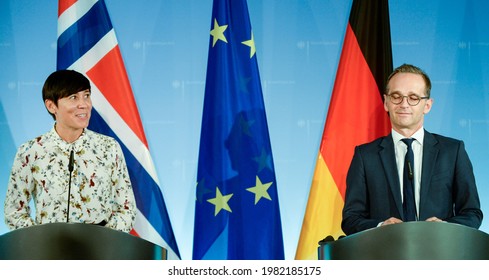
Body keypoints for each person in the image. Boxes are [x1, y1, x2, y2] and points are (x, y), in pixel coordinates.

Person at [341, 64, 483, 235]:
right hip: (384, 255)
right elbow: (351, 218)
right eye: (396, 96)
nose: (404, 104)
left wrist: (445, 227)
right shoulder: (365, 155)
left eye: (413, 97)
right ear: (386, 102)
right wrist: (380, 227)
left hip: (439, 254)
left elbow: (472, 213)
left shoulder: (453, 151)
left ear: (427, 105)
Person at [4, 70, 136, 233]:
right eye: (73, 97)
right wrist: (42, 241)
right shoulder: (30, 151)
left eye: (86, 95)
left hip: (100, 251)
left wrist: (103, 241)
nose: (84, 104)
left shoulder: (109, 147)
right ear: (51, 106)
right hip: (48, 252)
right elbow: (14, 212)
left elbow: (127, 209)